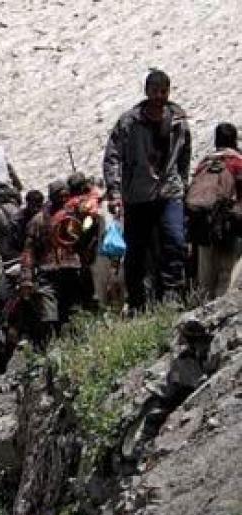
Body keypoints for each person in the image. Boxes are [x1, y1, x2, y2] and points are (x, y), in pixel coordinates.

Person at [103, 69, 192, 311]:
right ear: (147, 92)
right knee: (137, 250)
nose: (159, 96)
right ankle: (137, 300)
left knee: (175, 239)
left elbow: (184, 154)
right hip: (138, 194)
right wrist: (115, 192)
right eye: (155, 91)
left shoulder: (178, 121)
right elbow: (112, 157)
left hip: (169, 192)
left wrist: (182, 183)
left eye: (164, 91)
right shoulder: (129, 122)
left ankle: (172, 292)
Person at [20, 180, 85, 344]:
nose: (63, 200)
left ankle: (73, 350)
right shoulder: (38, 221)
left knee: (73, 315)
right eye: (60, 196)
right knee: (49, 317)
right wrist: (26, 278)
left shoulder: (75, 216)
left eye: (66, 196)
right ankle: (48, 350)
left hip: (71, 271)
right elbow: (28, 251)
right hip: (48, 273)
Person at [188, 122, 242, 298]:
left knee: (205, 275)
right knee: (227, 271)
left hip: (203, 224)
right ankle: (220, 313)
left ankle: (201, 310)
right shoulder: (237, 162)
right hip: (229, 225)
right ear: (234, 140)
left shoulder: (204, 163)